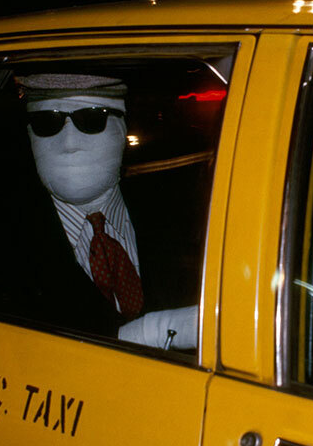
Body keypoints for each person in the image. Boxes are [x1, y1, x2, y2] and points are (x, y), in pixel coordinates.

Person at [17, 73, 198, 350]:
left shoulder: (177, 213)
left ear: (122, 129)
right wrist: (148, 334)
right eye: (47, 123)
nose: (68, 143)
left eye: (92, 119)